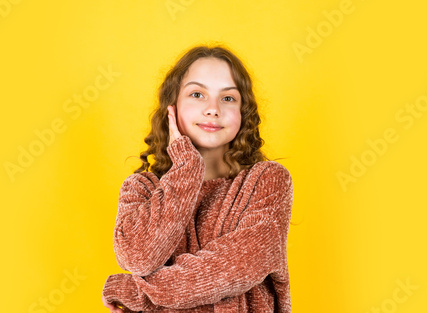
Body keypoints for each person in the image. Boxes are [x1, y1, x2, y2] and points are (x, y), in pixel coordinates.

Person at [101, 44, 294, 312]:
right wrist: (187, 166)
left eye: (228, 98)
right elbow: (138, 257)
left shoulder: (266, 181)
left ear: (243, 112)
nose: (213, 109)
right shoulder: (141, 188)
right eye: (197, 94)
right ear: (172, 107)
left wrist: (137, 291)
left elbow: (235, 267)